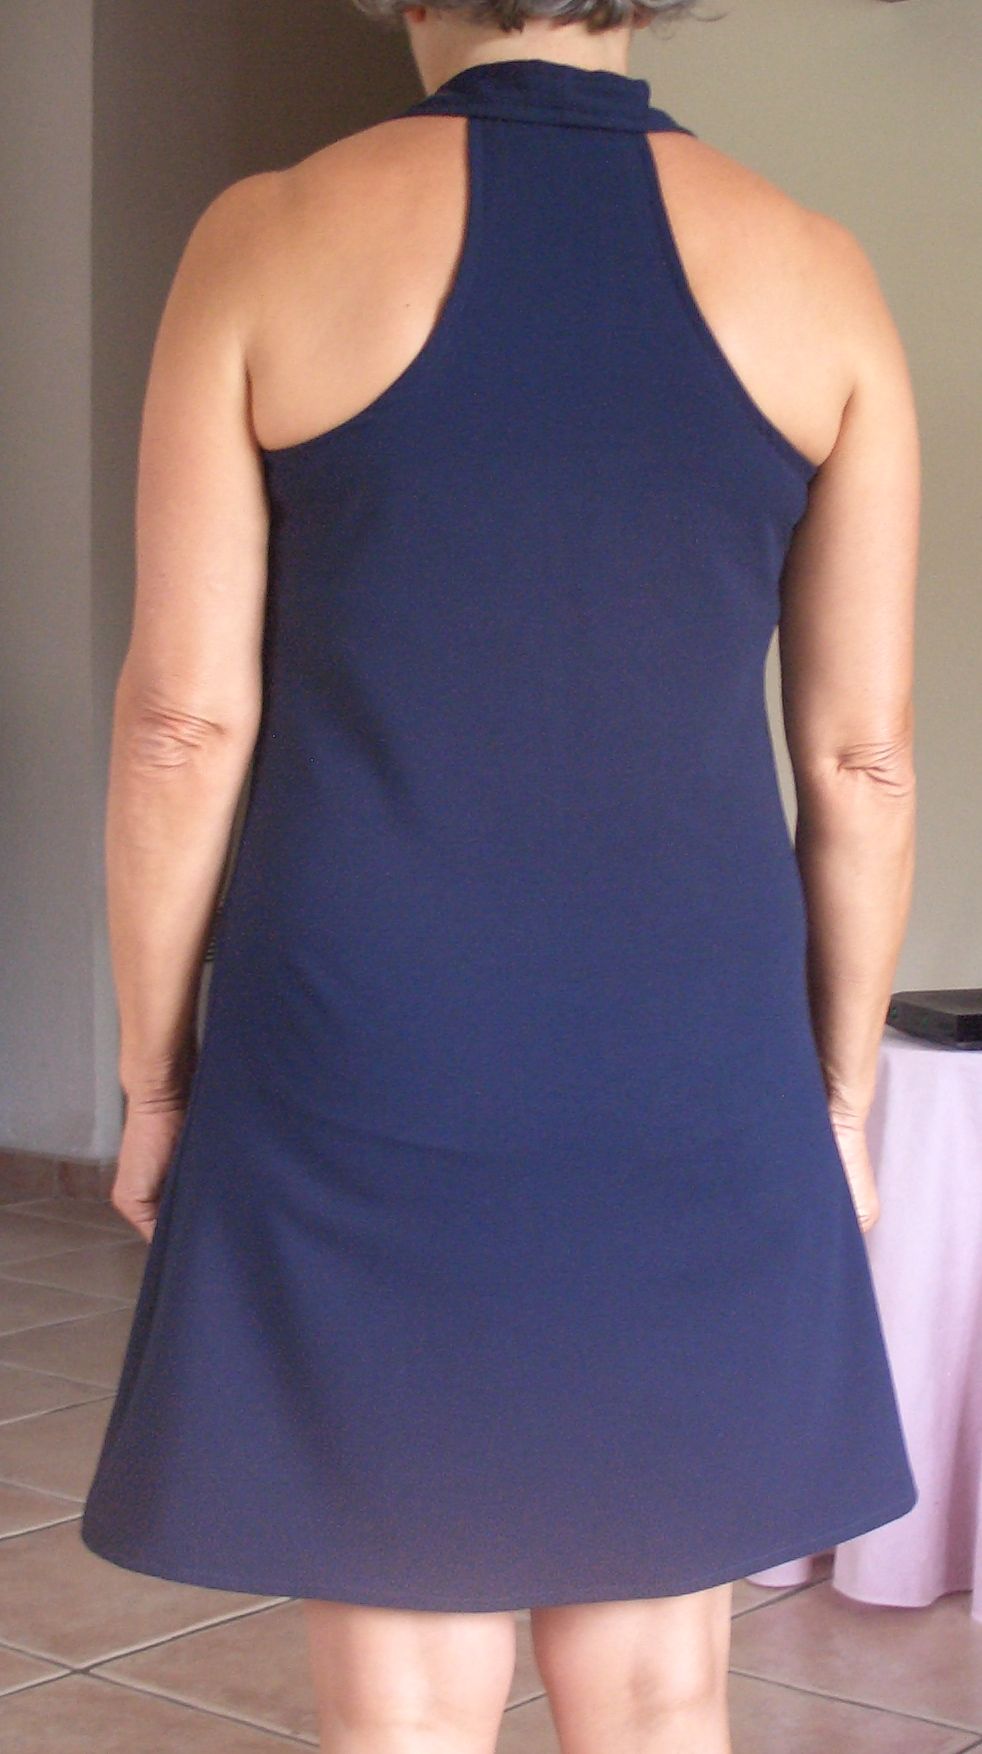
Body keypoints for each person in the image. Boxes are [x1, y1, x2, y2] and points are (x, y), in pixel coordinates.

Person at [80, 3, 921, 1751]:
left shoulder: (269, 237)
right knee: (660, 1683)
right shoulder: (816, 271)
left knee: (403, 1690)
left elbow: (180, 722)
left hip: (360, 1025)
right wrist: (836, 1096)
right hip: (691, 1038)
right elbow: (860, 759)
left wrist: (156, 1079)